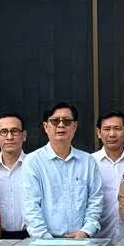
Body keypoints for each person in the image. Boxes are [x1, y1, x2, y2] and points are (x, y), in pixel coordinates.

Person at [22, 101, 104, 239]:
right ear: (45, 126)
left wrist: (86, 231)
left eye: (66, 121)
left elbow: (95, 200)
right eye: (55, 121)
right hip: (44, 242)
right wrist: (46, 240)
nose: (61, 125)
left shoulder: (88, 162)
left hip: (81, 241)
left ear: (75, 126)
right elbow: (30, 206)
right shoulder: (33, 162)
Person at [92, 110, 124, 241]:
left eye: (117, 128)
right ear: (99, 133)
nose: (112, 134)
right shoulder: (90, 163)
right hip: (97, 238)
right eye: (106, 129)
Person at [0, 113, 29, 239]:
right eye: (4, 132)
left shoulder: (35, 166)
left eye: (15, 131)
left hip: (31, 236)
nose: (9, 137)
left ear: (24, 135)